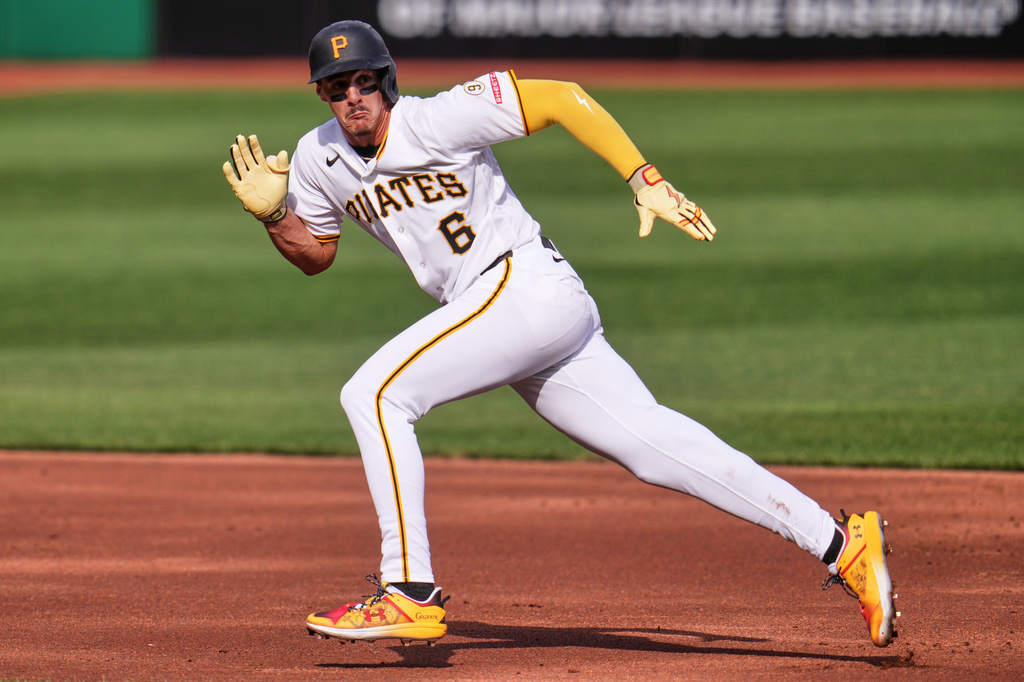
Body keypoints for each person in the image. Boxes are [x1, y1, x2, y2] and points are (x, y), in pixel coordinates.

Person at [222, 20, 898, 648]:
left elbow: (561, 98)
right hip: (506, 313)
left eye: (363, 81)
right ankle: (842, 545)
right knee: (655, 448)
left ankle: (407, 589)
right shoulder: (317, 158)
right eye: (336, 89)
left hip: (523, 288)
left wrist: (644, 177)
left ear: (387, 80)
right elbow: (317, 255)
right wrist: (275, 214)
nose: (352, 99)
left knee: (374, 395)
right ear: (322, 97)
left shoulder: (436, 118)